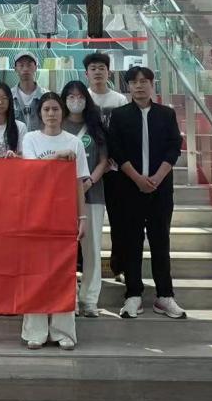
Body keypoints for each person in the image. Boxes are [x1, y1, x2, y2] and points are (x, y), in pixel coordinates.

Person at [107, 66, 187, 320]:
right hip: (129, 188)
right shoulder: (119, 115)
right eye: (134, 82)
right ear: (128, 87)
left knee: (160, 241)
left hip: (160, 189)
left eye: (144, 81)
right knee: (131, 242)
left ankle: (165, 295)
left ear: (153, 84)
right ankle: (133, 294)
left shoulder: (166, 114)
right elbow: (116, 150)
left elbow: (174, 147)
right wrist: (138, 179)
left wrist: (157, 177)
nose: (139, 86)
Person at [20, 92, 88, 350]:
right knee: (35, 273)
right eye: (46, 109)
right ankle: (35, 331)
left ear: (63, 113)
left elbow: (79, 183)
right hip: (35, 213)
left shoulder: (74, 142)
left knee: (63, 272)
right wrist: (57, 157)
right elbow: (31, 170)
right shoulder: (30, 138)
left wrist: (82, 217)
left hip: (64, 215)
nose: (51, 114)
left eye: (55, 109)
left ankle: (63, 331)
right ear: (40, 113)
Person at [60, 80, 109, 317]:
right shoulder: (58, 124)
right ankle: (68, 297)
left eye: (80, 96)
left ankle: (89, 299)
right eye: (70, 96)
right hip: (61, 197)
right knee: (64, 249)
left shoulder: (95, 126)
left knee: (92, 249)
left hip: (93, 194)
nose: (75, 100)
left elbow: (104, 161)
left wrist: (89, 181)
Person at [83, 52, 129, 278]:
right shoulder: (83, 99)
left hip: (114, 169)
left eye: (102, 68)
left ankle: (118, 265)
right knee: (86, 219)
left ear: (108, 72)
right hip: (89, 169)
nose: (98, 72)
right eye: (93, 68)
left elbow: (124, 134)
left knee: (118, 219)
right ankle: (82, 265)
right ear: (86, 73)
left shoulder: (119, 100)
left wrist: (117, 158)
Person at [13, 52, 44, 131]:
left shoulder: (46, 96)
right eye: (21, 65)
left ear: (36, 67)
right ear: (15, 69)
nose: (25, 69)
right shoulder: (9, 96)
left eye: (29, 65)